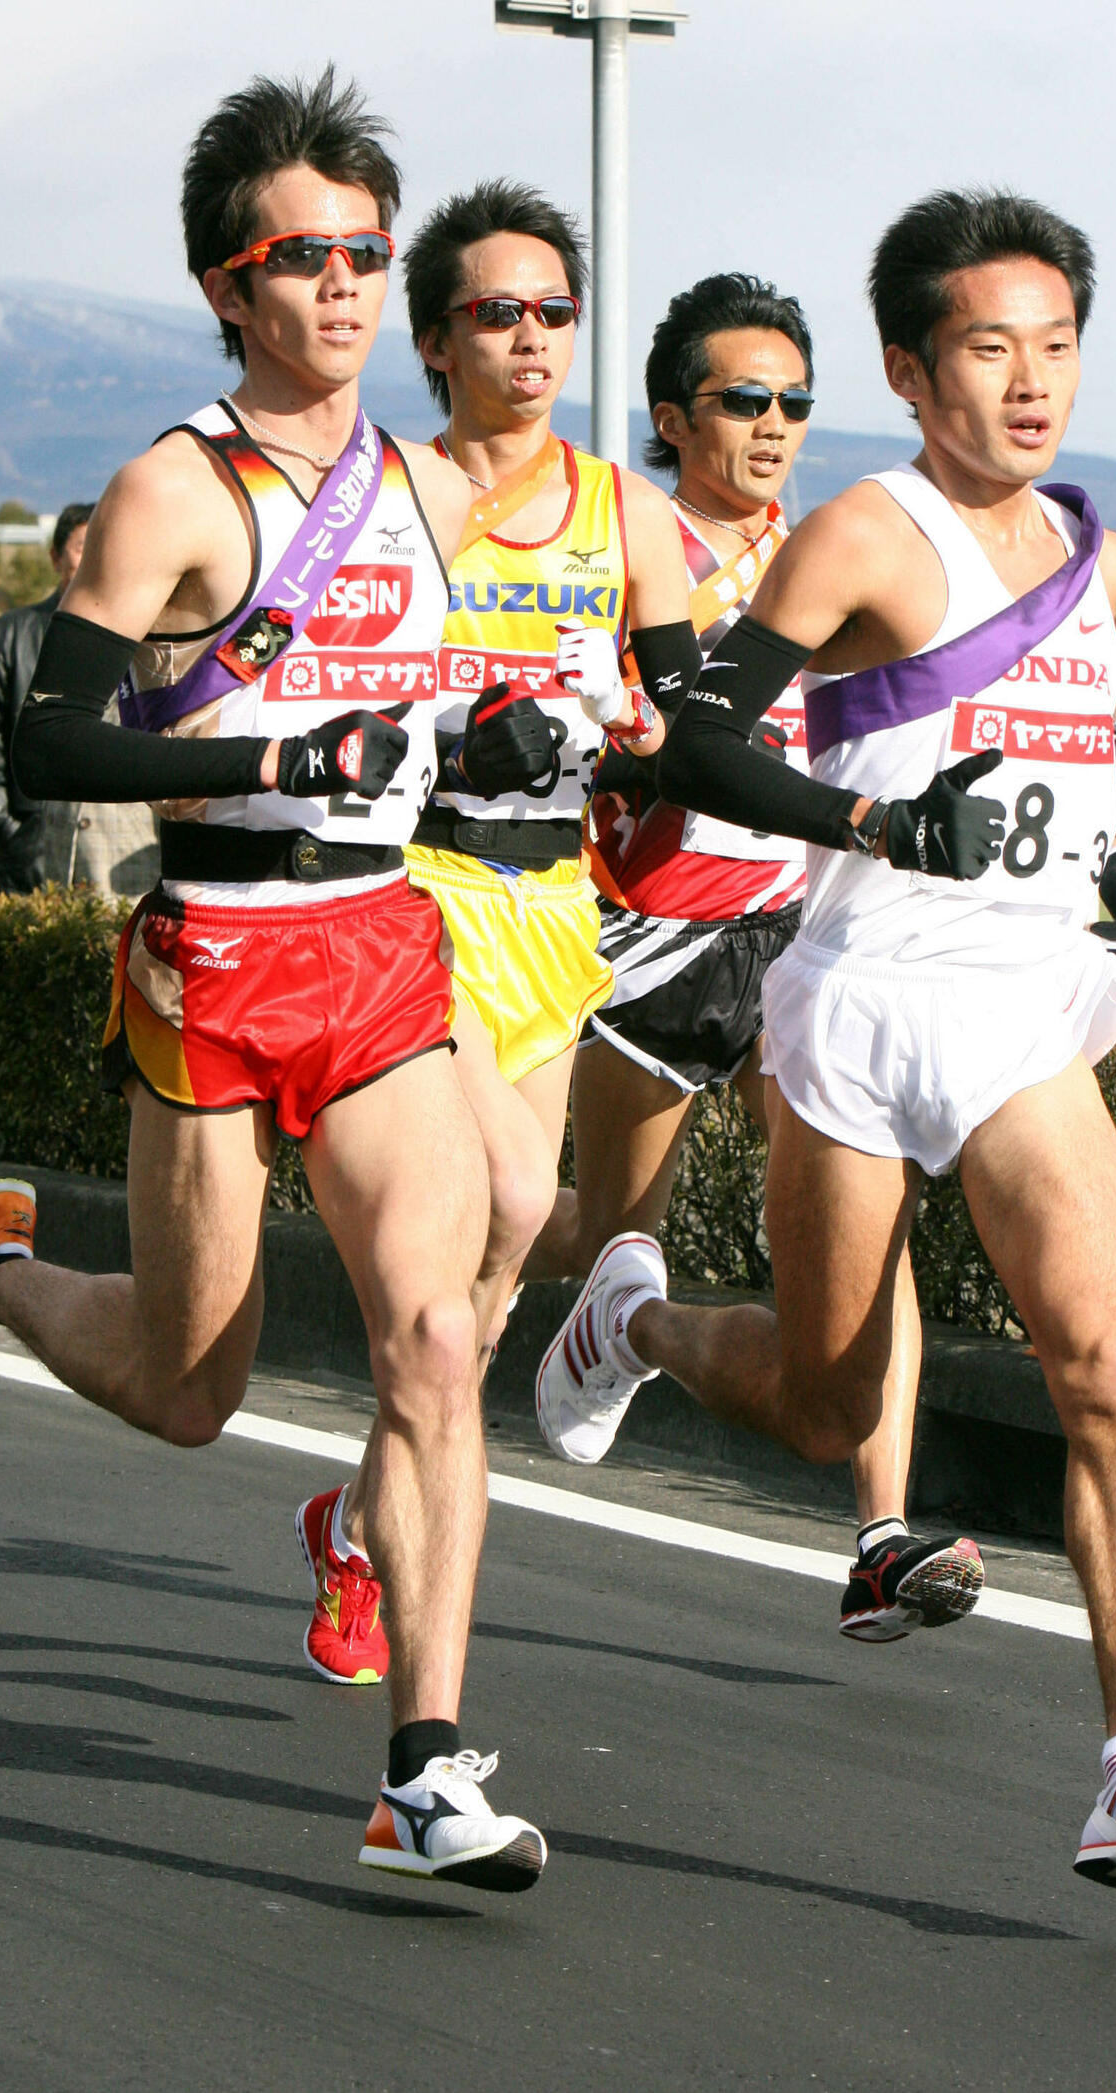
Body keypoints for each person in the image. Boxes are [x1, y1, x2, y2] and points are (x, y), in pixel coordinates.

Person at [0, 68, 546, 1892]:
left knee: (430, 1336)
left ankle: (425, 1762)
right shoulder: (174, 487)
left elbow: (396, 719)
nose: (341, 285)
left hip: (381, 948)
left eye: (364, 253)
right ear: (227, 285)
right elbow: (59, 732)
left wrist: (485, 726)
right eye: (300, 255)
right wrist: (265, 762)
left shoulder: (420, 486)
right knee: (191, 1390)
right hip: (217, 956)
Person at [538, 188, 1116, 1889]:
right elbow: (702, 741)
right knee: (819, 1393)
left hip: (1019, 1006)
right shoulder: (866, 525)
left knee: (1110, 1366)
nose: (1030, 382)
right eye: (990, 348)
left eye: (1056, 344)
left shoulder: (1100, 549)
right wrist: (874, 831)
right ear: (912, 369)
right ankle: (636, 1317)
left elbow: (1061, 777)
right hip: (861, 993)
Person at [527, 272, 982, 1642]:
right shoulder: (623, 542)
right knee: (569, 1241)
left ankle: (881, 1537)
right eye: (744, 401)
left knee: (870, 1222)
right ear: (675, 416)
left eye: (795, 401)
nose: (775, 425)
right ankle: (370, 1516)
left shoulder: (821, 555)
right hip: (643, 943)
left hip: (791, 938)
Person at [292, 178, 700, 1687]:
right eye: (497, 313)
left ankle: (353, 1527)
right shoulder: (379, 498)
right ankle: (410, 1648)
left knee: (458, 1326)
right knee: (524, 1199)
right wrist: (468, 725)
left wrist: (631, 723)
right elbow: (307, 688)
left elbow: (682, 721)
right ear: (433, 340)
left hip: (551, 912)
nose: (532, 339)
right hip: (409, 895)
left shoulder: (623, 511)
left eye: (555, 314)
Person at [0, 502, 160, 898]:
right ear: (56, 557)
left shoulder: (155, 638)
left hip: (122, 857)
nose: (97, 558)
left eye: (109, 545)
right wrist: (5, 828)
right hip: (29, 846)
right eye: (82, 547)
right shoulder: (14, 633)